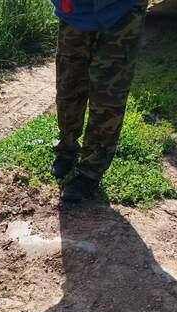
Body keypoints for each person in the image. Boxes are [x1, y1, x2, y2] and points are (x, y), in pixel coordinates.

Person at [50, 0, 148, 202]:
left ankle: (90, 170)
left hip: (120, 11)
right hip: (74, 10)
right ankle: (66, 149)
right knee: (68, 87)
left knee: (108, 97)